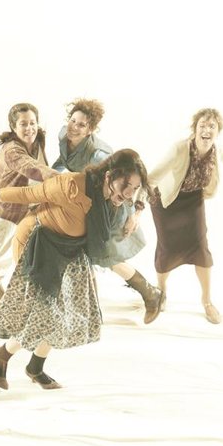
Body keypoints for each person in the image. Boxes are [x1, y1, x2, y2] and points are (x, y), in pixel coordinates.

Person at [0, 149, 150, 390]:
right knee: (44, 313)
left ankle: (35, 366)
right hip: (40, 247)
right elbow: (27, 194)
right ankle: (2, 355)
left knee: (69, 315)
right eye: (126, 185)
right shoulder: (71, 185)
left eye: (135, 188)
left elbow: (150, 190)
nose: (129, 193)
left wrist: (137, 213)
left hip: (72, 251)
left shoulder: (114, 200)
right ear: (109, 175)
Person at [145, 108, 223, 324]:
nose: (207, 130)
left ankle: (207, 301)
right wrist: (135, 207)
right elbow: (152, 177)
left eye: (212, 126)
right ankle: (161, 292)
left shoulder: (216, 149)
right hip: (166, 201)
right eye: (202, 126)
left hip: (192, 201)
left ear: (217, 132)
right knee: (167, 248)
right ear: (195, 129)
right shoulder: (179, 148)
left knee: (201, 248)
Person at [52, 98, 162, 323]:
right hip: (90, 204)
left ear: (90, 129)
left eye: (82, 125)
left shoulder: (99, 154)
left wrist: (136, 214)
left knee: (107, 257)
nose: (74, 127)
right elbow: (62, 161)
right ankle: (91, 310)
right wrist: (49, 178)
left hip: (113, 208)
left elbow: (139, 179)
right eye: (73, 121)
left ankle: (150, 294)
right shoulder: (65, 135)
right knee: (88, 255)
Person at [0, 103, 57, 306]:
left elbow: (41, 165)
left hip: (26, 208)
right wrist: (67, 179)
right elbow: (33, 169)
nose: (29, 128)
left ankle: (32, 302)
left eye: (33, 123)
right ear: (13, 127)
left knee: (33, 254)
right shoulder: (11, 150)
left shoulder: (38, 139)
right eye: (23, 124)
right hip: (1, 212)